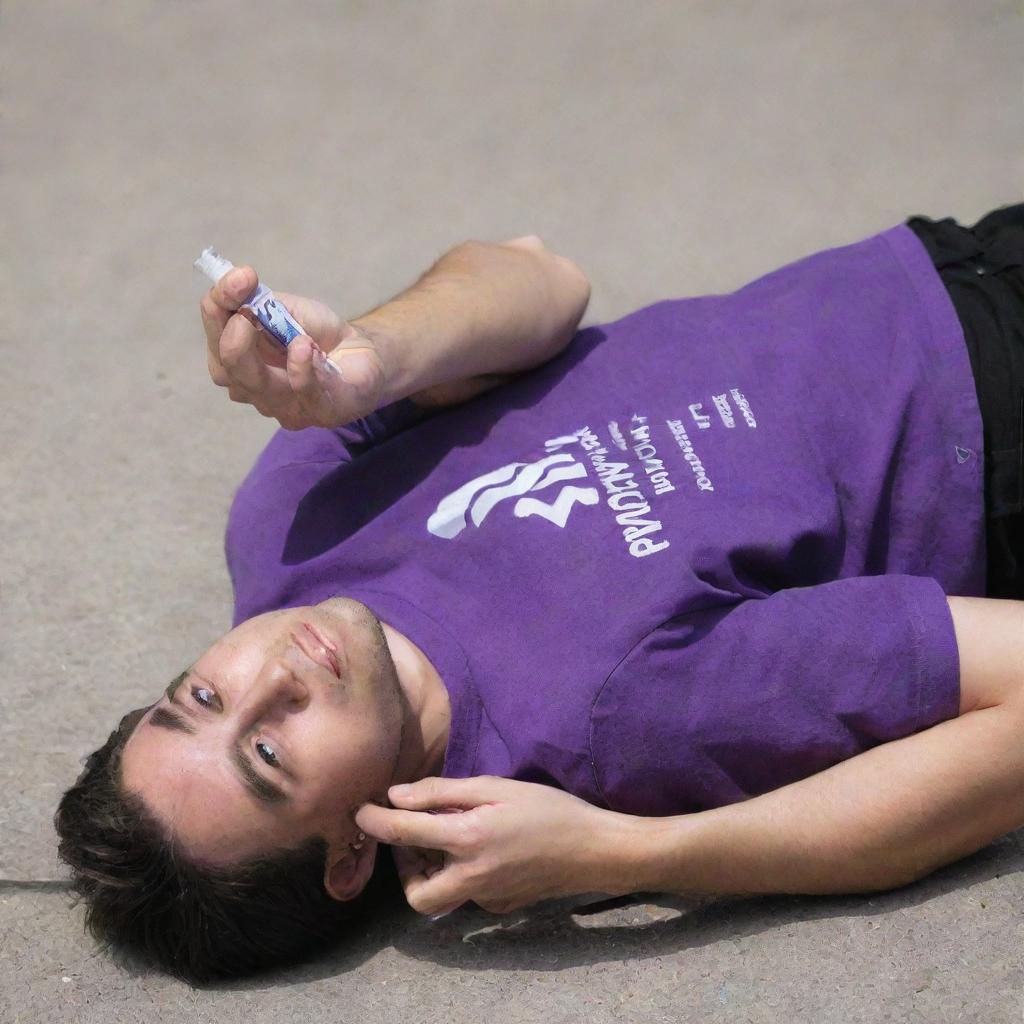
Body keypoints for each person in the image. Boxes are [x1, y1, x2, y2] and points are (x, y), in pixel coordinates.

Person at [55, 207, 1024, 985]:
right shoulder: (604, 723)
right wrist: (631, 853)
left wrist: (372, 362)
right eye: (267, 752)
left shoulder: (287, 518)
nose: (268, 677)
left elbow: (541, 277)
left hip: (935, 264)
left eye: (203, 695)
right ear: (350, 851)